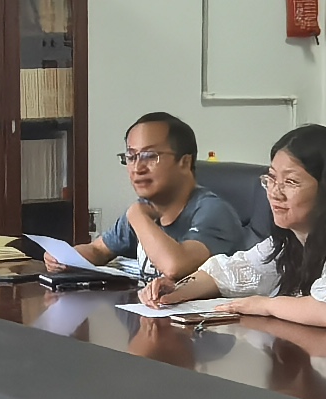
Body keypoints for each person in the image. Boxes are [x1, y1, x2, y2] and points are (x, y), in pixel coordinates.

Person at [146, 121, 326, 333]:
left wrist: (264, 305)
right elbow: (225, 273)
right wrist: (176, 290)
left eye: (290, 182)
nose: (274, 193)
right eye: (271, 179)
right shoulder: (288, 242)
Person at [87, 111, 252, 278]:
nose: (137, 168)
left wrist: (137, 216)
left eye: (150, 156)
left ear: (185, 162)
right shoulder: (145, 207)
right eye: (131, 157)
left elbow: (175, 266)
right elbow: (97, 250)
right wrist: (68, 260)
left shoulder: (213, 211)